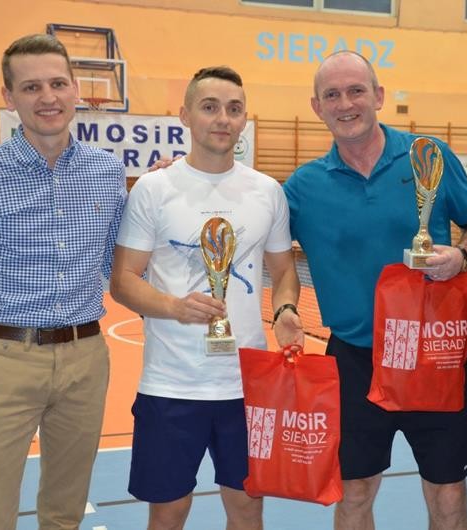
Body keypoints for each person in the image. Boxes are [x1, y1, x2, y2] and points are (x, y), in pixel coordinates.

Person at [0, 34, 126, 529]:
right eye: (31, 87)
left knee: (64, 515)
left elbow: (116, 266)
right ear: (9, 97)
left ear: (76, 89)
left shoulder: (107, 171)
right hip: (1, 364)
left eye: (58, 83)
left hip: (85, 360)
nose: (48, 97)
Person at [283, 51, 467, 530]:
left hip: (434, 357)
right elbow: (252, 230)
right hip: (354, 362)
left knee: (448, 494)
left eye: (356, 91)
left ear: (378, 96)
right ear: (317, 107)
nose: (346, 104)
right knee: (354, 494)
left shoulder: (428, 156)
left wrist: (462, 256)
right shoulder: (302, 187)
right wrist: (178, 174)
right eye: (332, 95)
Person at [110, 66, 302, 530]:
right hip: (171, 385)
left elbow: (284, 272)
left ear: (244, 119)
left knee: (247, 508)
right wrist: (175, 308)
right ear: (185, 116)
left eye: (234, 109)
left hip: (247, 384)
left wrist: (285, 309)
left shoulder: (267, 192)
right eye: (210, 107)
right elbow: (123, 280)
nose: (223, 119)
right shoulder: (154, 189)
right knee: (169, 512)